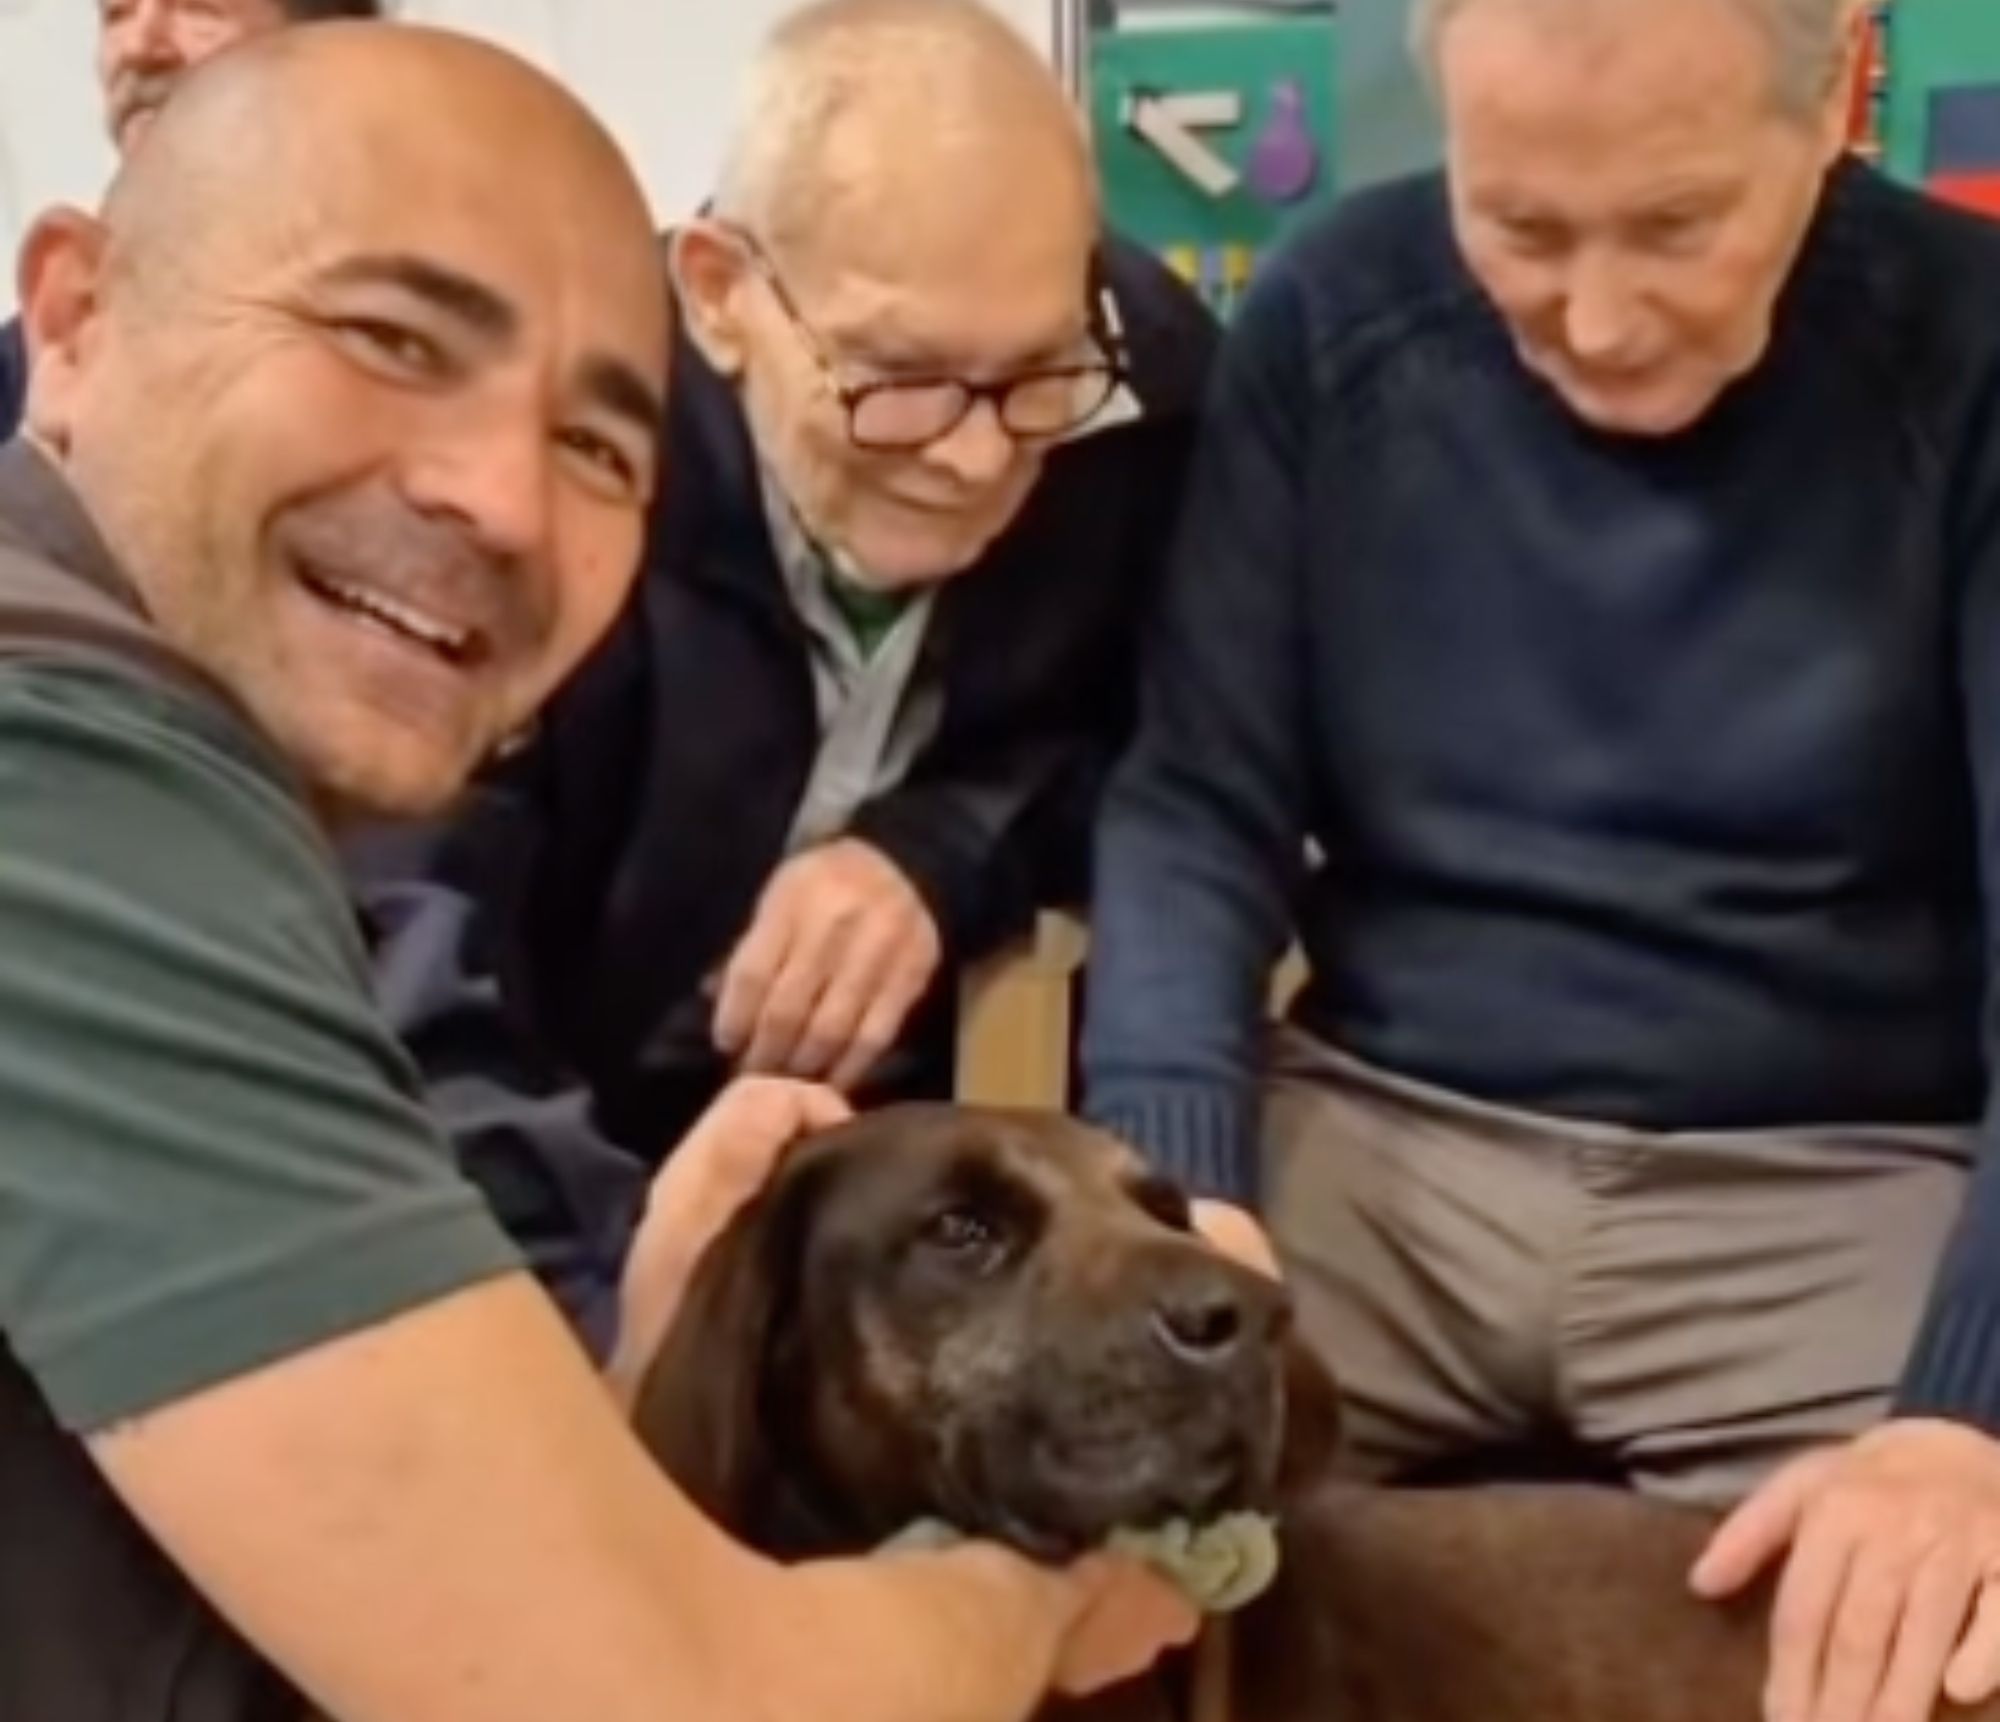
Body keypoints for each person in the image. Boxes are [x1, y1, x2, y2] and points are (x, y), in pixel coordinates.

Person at [0, 21, 1195, 1722]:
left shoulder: (1153, 398)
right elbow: (653, 1696)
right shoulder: (66, 791)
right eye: (390, 336)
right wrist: (1034, 1593)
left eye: (594, 444)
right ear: (71, 315)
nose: (499, 496)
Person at [1077, 0, 2000, 1718]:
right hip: (1384, 1142)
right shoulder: (1333, 312)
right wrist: (1174, 1196)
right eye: (1516, 226)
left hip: (1829, 1176)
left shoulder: (1972, 352)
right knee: (1026, 1532)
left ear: (1840, 101)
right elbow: (1196, 802)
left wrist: (1969, 1418)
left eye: (1675, 226)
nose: (1594, 318)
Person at [349, 0, 1217, 1348]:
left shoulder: (1132, 393)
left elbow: (1162, 749)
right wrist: (612, 1311)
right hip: (515, 1186)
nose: (981, 457)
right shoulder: (529, 474)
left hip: (884, 1203)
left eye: (1032, 373)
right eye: (899, 379)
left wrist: (936, 849)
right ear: (718, 294)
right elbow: (409, 935)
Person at [0, 0, 383, 440]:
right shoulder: (37, 361)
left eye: (196, 8)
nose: (138, 48)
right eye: (117, 13)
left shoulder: (427, 310)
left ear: (333, 45)